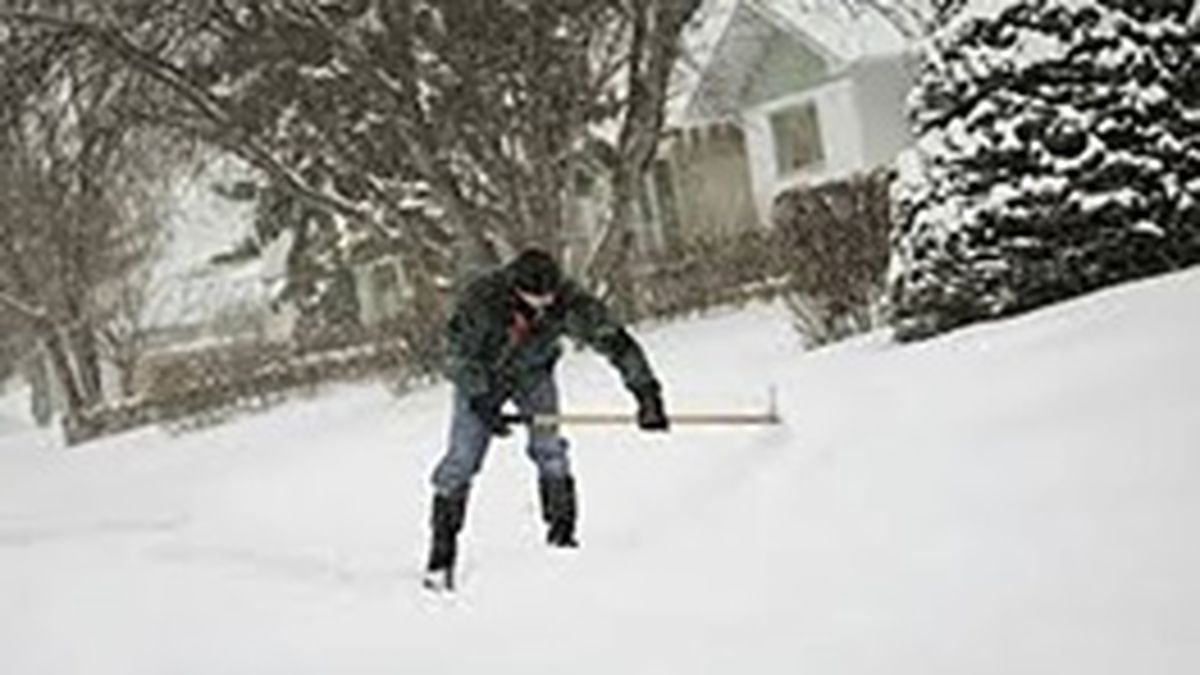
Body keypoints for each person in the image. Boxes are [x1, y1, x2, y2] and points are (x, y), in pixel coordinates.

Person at [423, 247, 669, 591]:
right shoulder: (483, 299)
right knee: (463, 459)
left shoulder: (566, 301)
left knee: (550, 449)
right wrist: (480, 398)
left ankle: (562, 537)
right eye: (536, 297)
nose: (544, 304)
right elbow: (454, 353)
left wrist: (646, 392)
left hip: (533, 374)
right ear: (515, 287)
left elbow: (615, 340)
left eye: (549, 296)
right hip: (480, 378)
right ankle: (441, 554)